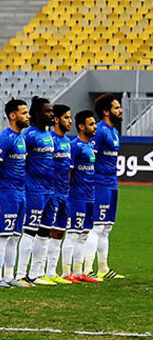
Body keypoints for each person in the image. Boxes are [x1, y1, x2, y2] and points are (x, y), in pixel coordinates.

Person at [0, 99, 30, 288]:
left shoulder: (21, 137)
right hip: (6, 193)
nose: (27, 116)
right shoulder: (5, 138)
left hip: (20, 193)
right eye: (24, 113)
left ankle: (9, 276)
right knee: (3, 235)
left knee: (15, 236)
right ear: (13, 116)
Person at [19, 96, 57, 286]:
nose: (52, 114)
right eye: (48, 111)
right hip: (33, 190)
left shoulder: (49, 135)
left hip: (49, 191)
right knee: (30, 231)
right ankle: (20, 273)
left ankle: (36, 273)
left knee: (45, 232)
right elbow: (20, 162)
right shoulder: (29, 136)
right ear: (37, 114)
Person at [88, 93, 124, 279]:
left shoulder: (115, 133)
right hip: (99, 183)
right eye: (116, 108)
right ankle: (87, 269)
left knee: (107, 227)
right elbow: (89, 157)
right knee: (96, 226)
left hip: (112, 183)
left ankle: (103, 268)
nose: (120, 110)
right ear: (106, 111)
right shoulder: (99, 131)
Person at [68, 111, 101, 283]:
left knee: (84, 234)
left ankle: (79, 271)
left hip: (90, 196)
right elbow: (69, 171)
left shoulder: (90, 146)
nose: (95, 127)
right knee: (73, 233)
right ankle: (67, 273)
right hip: (77, 196)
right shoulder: (75, 146)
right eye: (91, 124)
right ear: (81, 127)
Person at [43, 104, 74, 284]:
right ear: (56, 120)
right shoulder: (51, 140)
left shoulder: (67, 143)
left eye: (70, 118)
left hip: (64, 193)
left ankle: (52, 271)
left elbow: (68, 171)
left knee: (60, 232)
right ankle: (40, 271)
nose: (70, 121)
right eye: (66, 118)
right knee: (47, 232)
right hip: (51, 193)